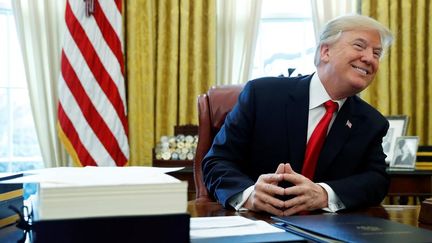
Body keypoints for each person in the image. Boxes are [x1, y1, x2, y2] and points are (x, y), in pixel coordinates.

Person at [202, 14, 394, 216]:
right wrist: (249, 195)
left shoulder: (371, 122)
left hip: (326, 230)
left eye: (377, 53)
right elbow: (217, 161)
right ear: (326, 51)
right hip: (256, 222)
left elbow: (377, 180)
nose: (369, 58)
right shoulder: (262, 95)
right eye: (359, 46)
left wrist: (324, 194)